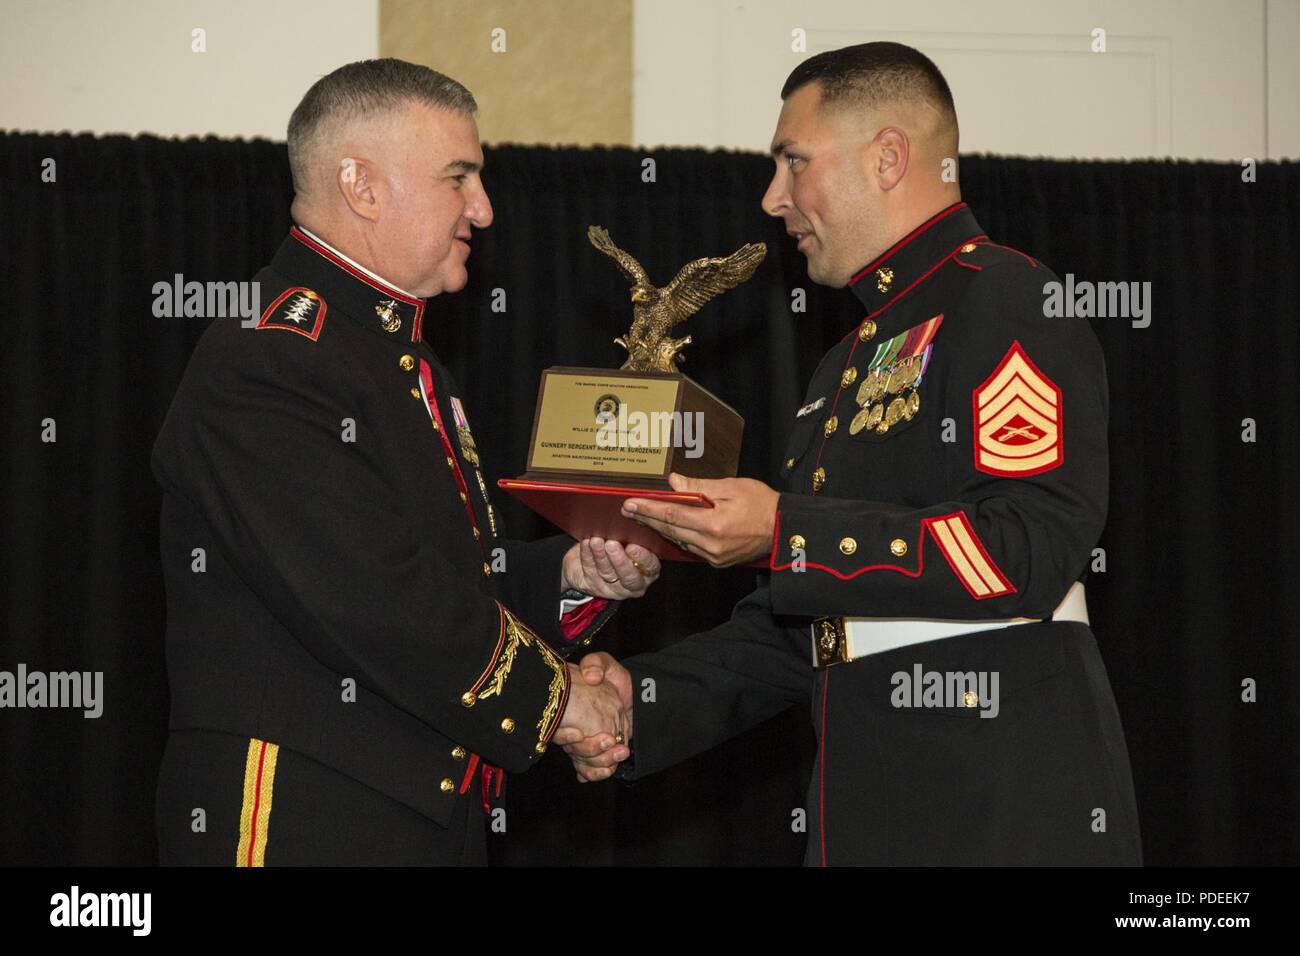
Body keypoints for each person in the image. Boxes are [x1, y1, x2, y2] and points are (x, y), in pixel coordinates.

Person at [556, 42, 1142, 866]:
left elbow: (1029, 544)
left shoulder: (1010, 298)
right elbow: (810, 628)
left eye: (794, 162)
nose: (773, 199)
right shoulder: (845, 361)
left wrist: (787, 532)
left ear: (890, 157)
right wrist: (639, 700)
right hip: (866, 797)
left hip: (999, 798)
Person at [151, 58, 658, 866]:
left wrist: (571, 576)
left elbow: (447, 579)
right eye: (460, 177)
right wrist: (558, 701)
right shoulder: (268, 357)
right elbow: (372, 597)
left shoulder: (396, 359)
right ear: (362, 186)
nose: (483, 210)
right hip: (304, 818)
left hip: (416, 815)